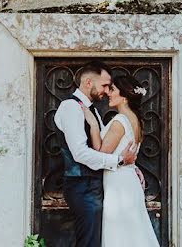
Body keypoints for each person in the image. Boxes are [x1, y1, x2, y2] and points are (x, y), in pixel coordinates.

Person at [53, 61, 138, 247]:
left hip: (95, 186)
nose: (107, 91)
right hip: (81, 186)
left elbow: (105, 146)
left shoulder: (93, 111)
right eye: (105, 85)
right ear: (89, 82)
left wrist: (132, 165)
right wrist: (120, 161)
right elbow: (81, 154)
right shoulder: (70, 107)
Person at [82, 74, 160, 247]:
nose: (108, 93)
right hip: (127, 179)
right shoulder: (136, 120)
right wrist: (133, 166)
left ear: (123, 96)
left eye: (112, 89)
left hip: (119, 183)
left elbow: (101, 154)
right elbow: (127, 151)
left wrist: (94, 125)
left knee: (119, 234)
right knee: (133, 233)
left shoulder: (119, 121)